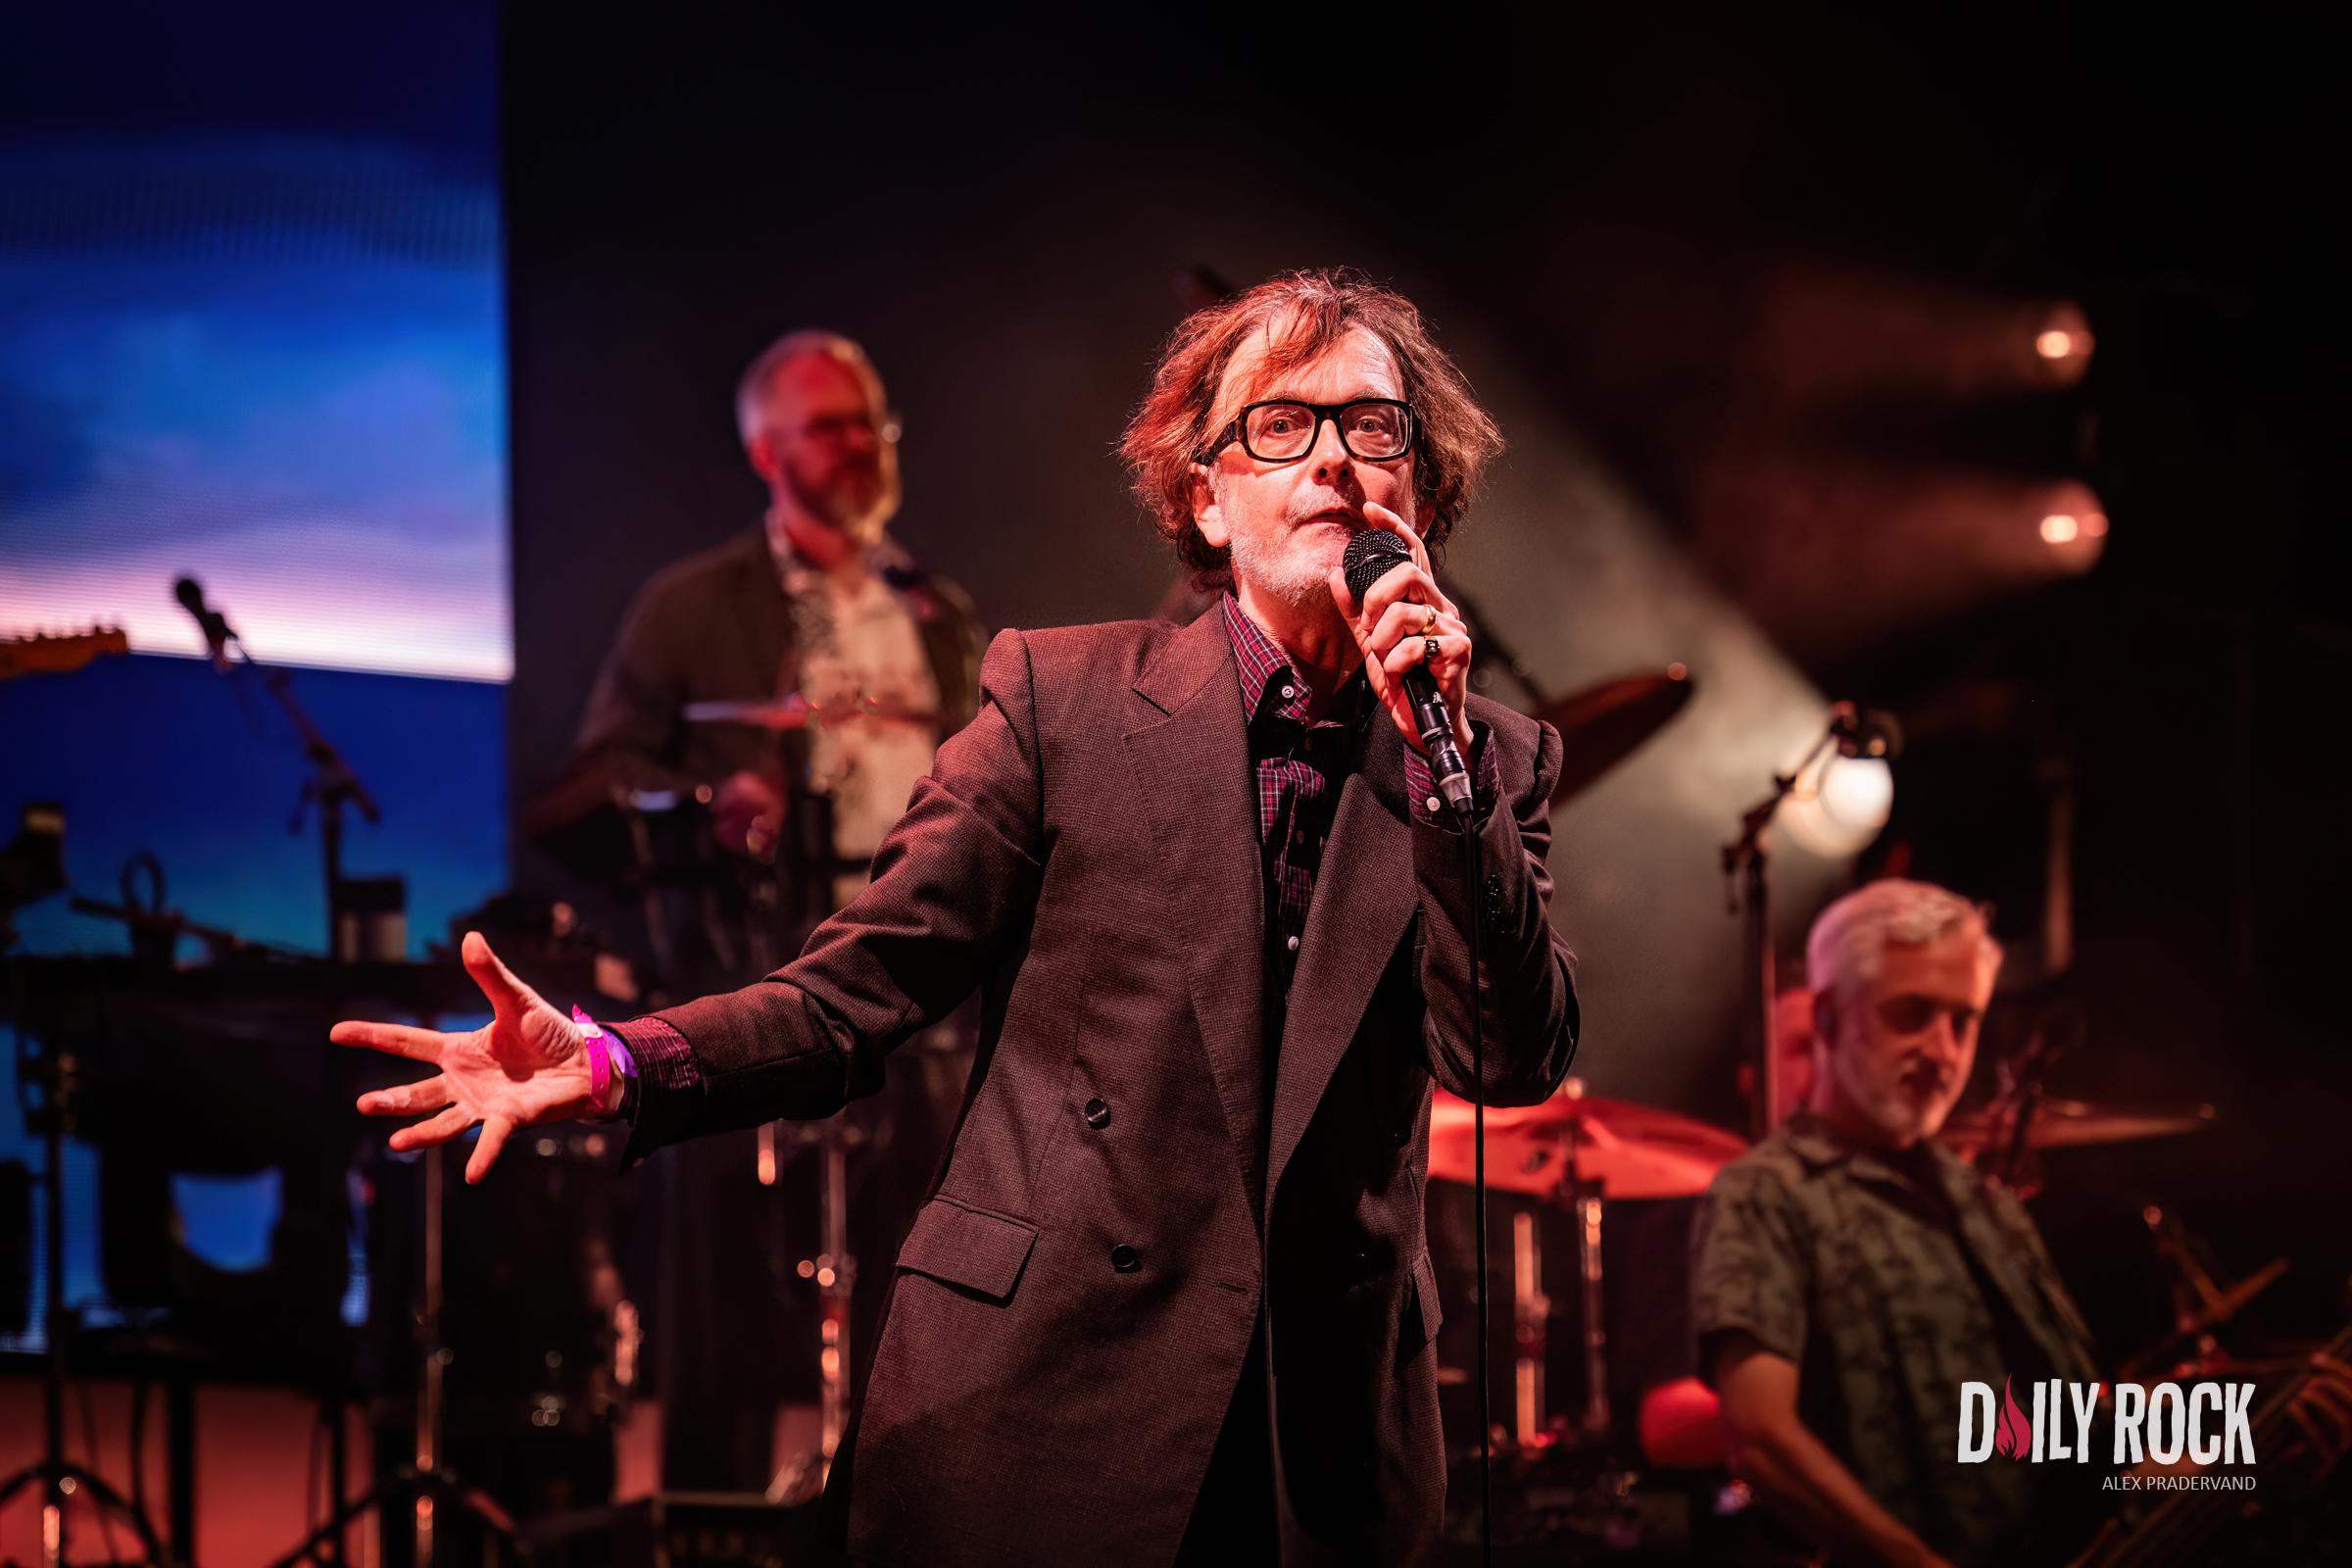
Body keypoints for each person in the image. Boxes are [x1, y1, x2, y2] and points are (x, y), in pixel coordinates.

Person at [334, 270, 1581, 1566]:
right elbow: (851, 993)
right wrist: (615, 1061)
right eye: (1281, 423)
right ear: (1208, 500)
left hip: (1322, 1451)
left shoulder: (1492, 761)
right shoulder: (1065, 701)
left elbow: (1507, 1056)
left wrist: (1444, 770)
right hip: (1045, 1406)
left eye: (1372, 425)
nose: (1330, 457)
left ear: (1419, 493)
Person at [1691, 879, 2352, 1567]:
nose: (1944, 1050)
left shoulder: (1990, 1207)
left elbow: (2075, 1442)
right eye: (1911, 1014)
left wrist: (2248, 1473)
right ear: (1828, 1018)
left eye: (1963, 1021)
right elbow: (1761, 1438)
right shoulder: (1767, 1192)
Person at [527, 329, 986, 887]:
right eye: (828, 426)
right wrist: (711, 802)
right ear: (766, 453)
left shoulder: (941, 613)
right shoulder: (692, 607)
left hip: (934, 927)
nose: (860, 442)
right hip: (780, 932)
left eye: (871, 422)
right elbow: (595, 784)